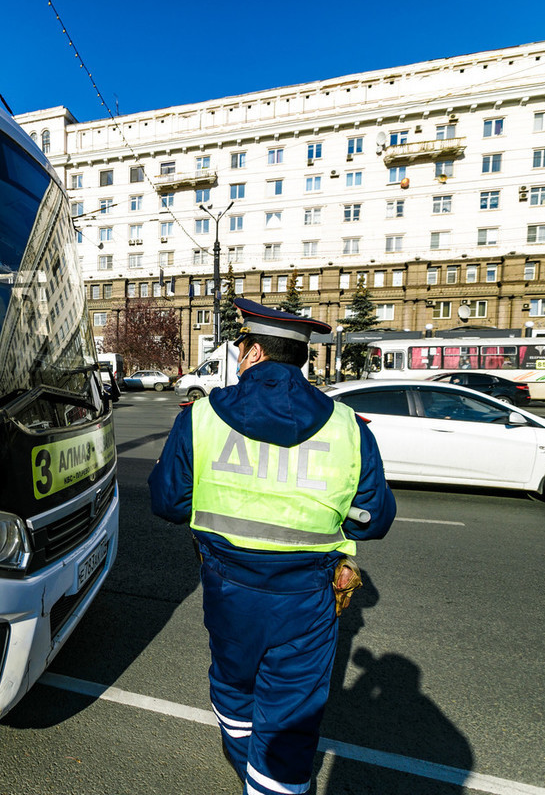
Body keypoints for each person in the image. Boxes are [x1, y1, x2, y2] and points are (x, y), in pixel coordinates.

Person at [148, 298, 396, 794]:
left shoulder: (201, 418)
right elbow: (374, 521)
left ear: (256, 352)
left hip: (227, 590)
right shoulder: (347, 426)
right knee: (289, 717)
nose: (239, 356)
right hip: (308, 597)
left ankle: (243, 761)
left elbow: (168, 502)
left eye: (241, 347)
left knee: (234, 689)